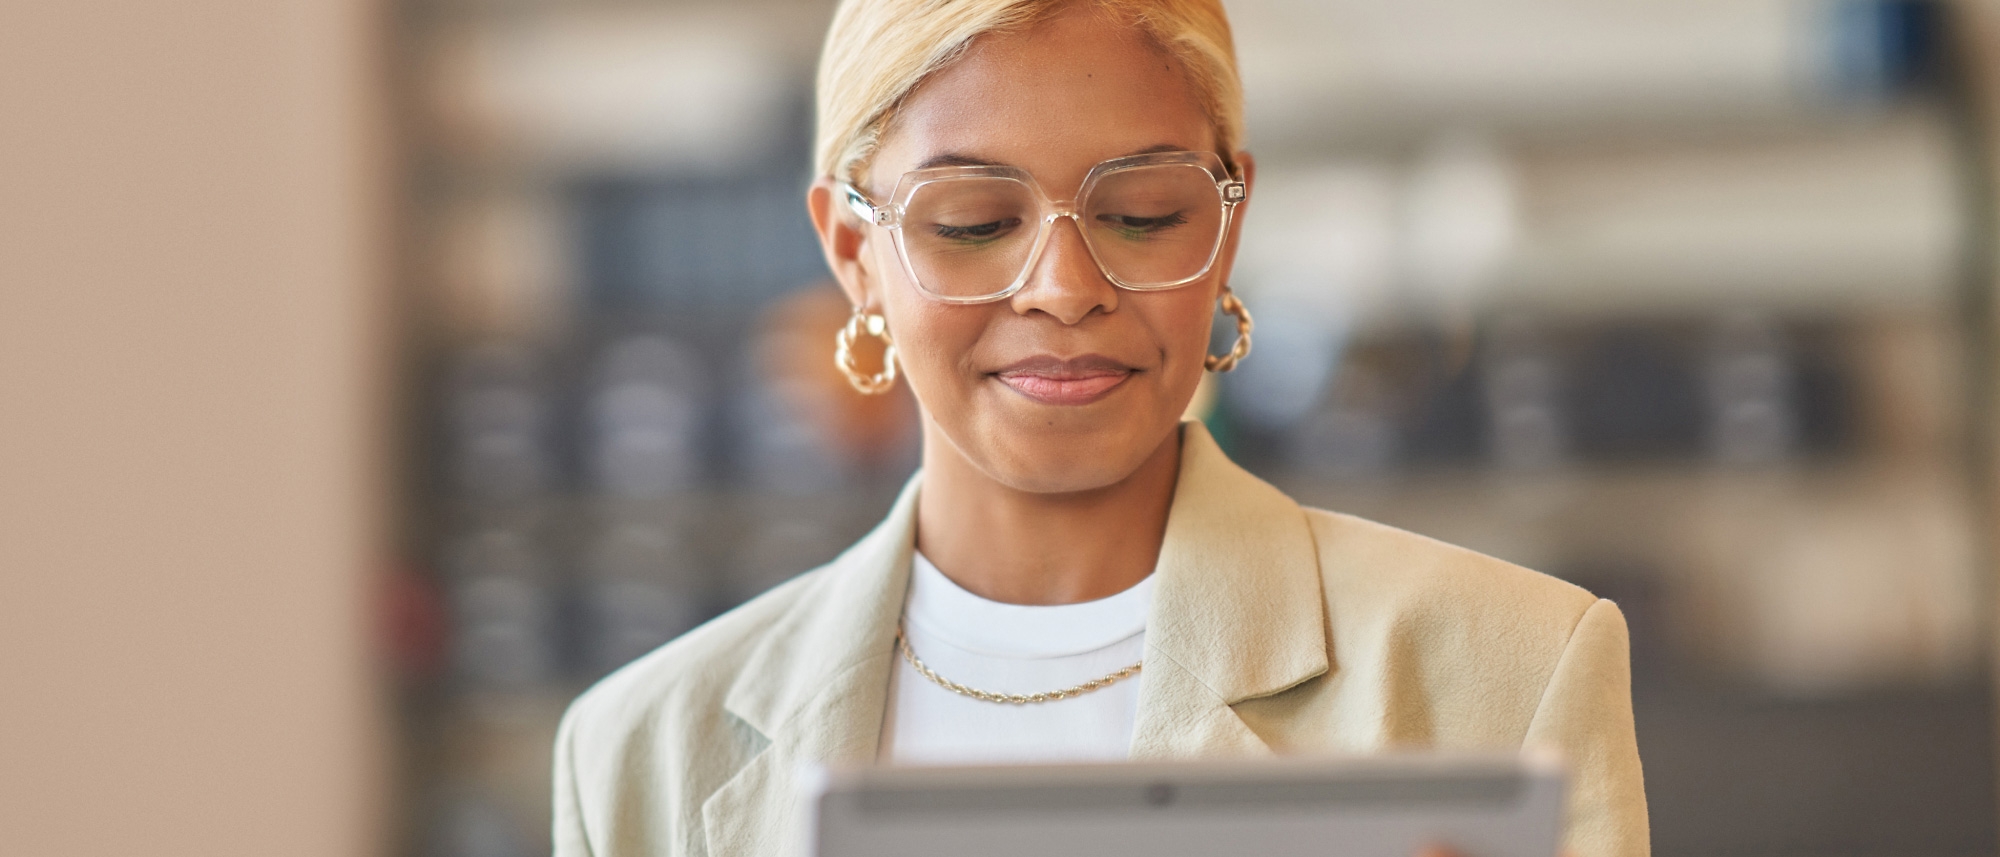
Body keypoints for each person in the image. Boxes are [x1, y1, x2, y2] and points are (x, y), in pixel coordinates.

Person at [552, 0, 1649, 855]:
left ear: (1225, 229)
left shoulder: (1507, 670)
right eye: (974, 222)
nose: (1064, 288)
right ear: (852, 253)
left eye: (1142, 213)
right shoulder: (643, 753)